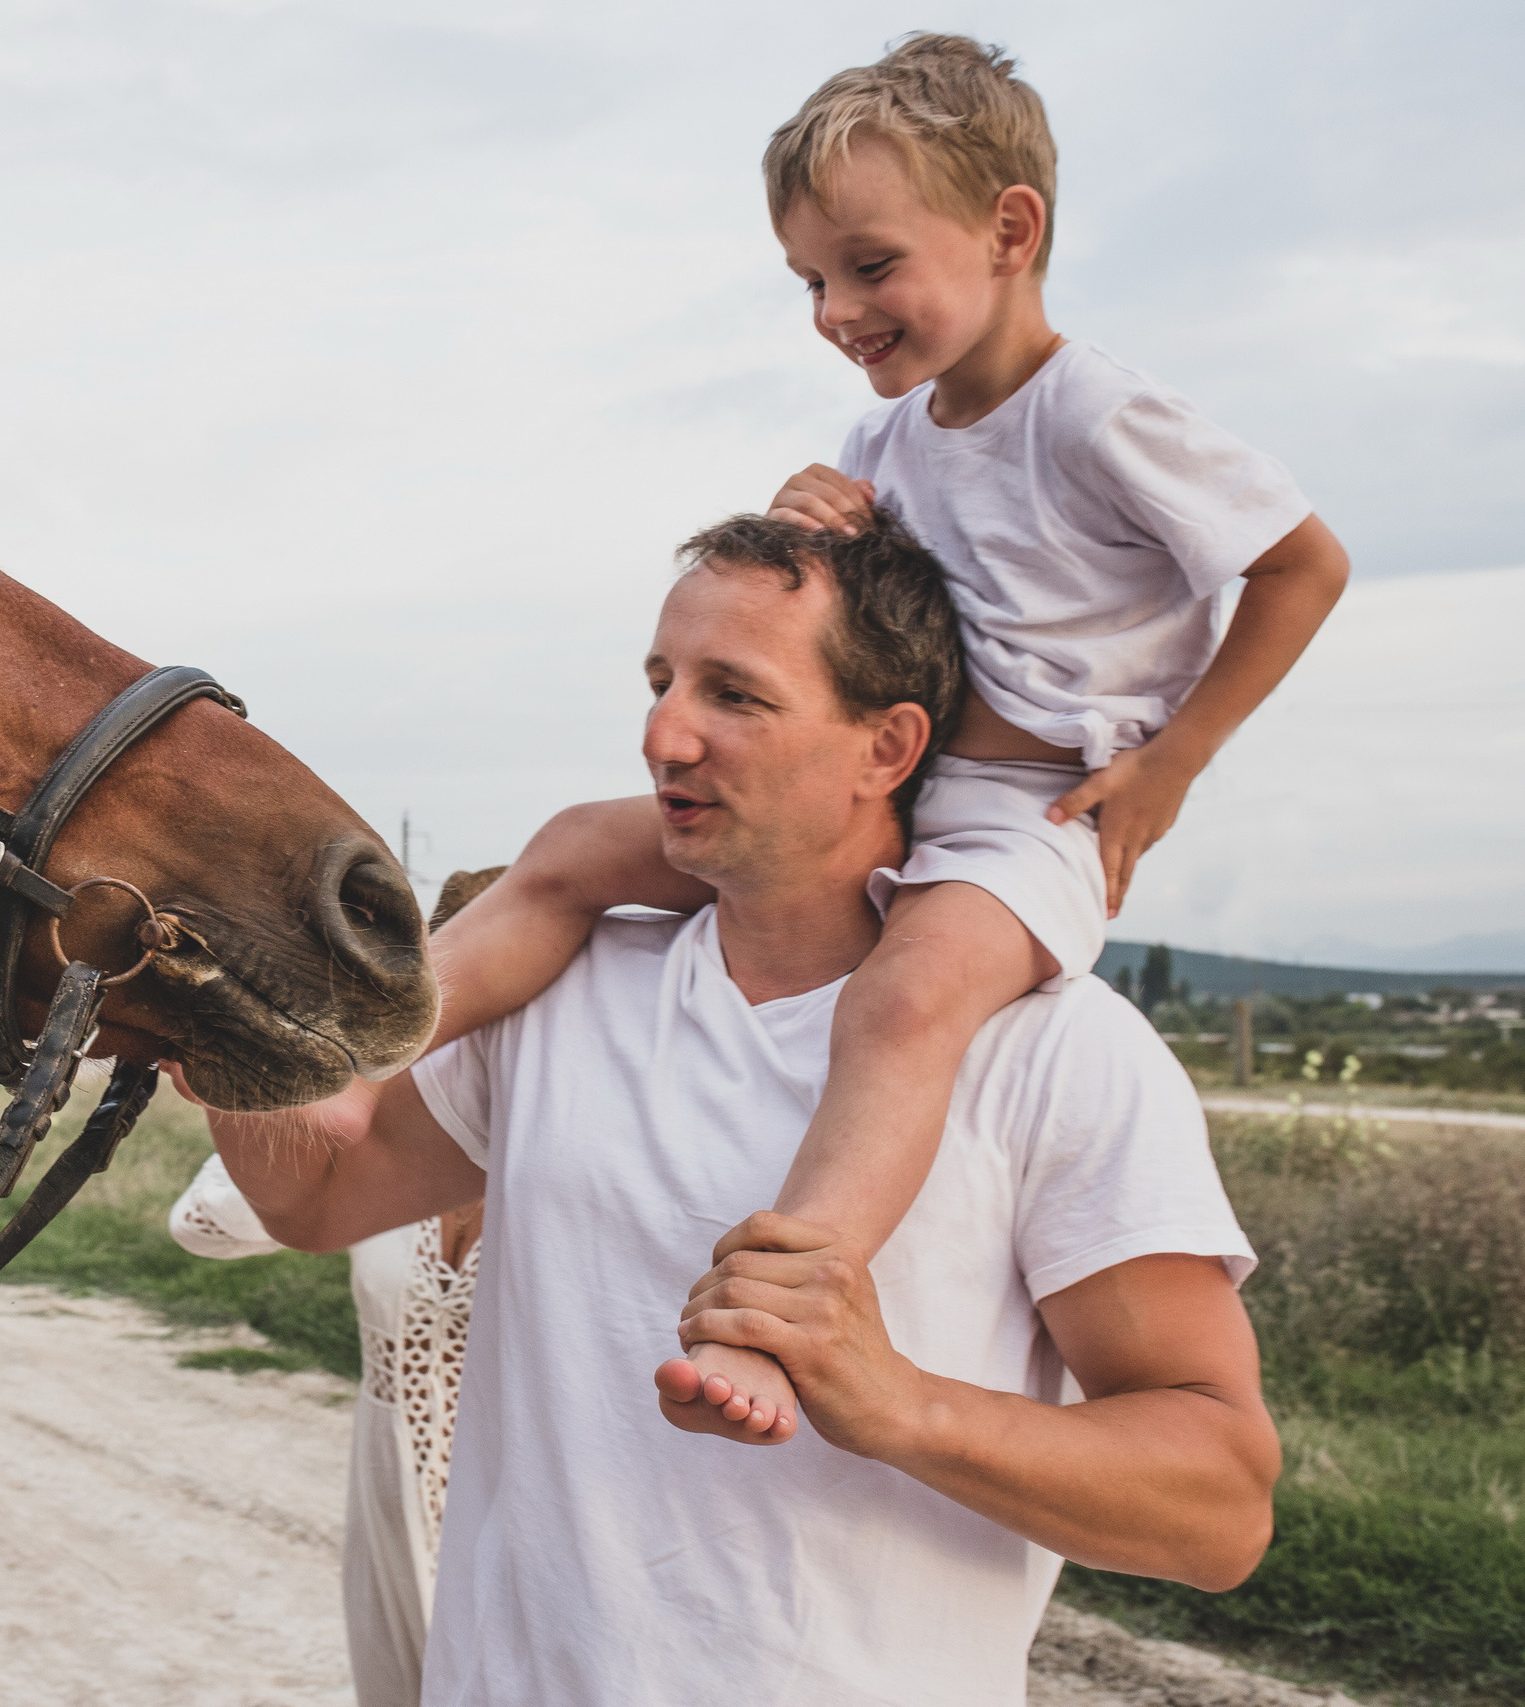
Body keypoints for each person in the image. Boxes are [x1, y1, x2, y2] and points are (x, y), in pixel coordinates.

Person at [190, 512, 1281, 1703]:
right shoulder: (567, 983)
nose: (664, 734)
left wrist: (899, 1404)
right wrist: (208, 1022)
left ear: (888, 746)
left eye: (736, 697)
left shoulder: (1052, 1049)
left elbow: (1218, 1508)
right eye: (660, 682)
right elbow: (321, 1194)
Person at [425, 33, 1349, 1438]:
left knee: (907, 1002)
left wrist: (1173, 759)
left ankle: (783, 1309)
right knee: (569, 851)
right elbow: (837, 627)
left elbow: (1303, 566)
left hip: (1019, 820)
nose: (834, 310)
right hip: (884, 791)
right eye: (808, 279)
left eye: (868, 265)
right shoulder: (888, 443)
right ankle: (351, 1030)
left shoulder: (1096, 415)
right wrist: (815, 517)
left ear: (1011, 229)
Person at [168, 870, 498, 1707]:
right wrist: (280, 1076)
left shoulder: (567, 1156)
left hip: (514, 1501)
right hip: (386, 1494)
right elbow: (201, 1224)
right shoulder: (382, 1160)